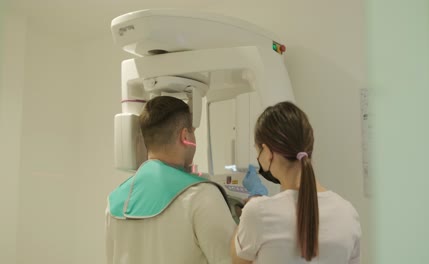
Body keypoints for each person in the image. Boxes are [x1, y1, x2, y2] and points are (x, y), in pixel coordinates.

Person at [106, 96, 236, 264]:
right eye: (193, 132)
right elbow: (231, 260)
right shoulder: (202, 195)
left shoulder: (115, 201)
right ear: (185, 136)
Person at [231, 101, 361, 264]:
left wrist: (253, 200)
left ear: (268, 153)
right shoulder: (348, 213)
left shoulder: (258, 212)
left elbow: (238, 260)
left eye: (258, 151)